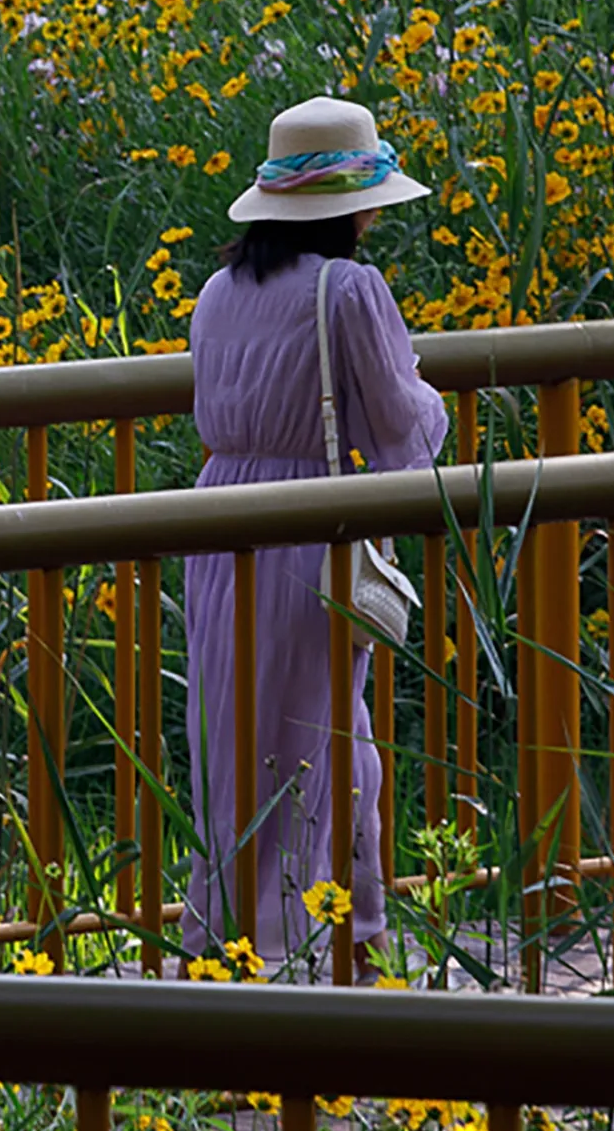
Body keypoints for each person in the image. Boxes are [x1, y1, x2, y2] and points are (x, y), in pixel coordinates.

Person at [180, 96, 447, 976]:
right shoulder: (350, 289)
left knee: (234, 737)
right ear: (353, 208)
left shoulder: (219, 293)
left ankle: (232, 940)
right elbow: (403, 426)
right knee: (322, 739)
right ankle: (319, 948)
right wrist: (429, 393)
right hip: (308, 527)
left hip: (219, 524)